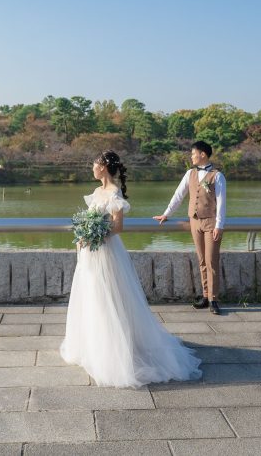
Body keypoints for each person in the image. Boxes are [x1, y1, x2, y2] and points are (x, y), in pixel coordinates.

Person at [60, 150, 203, 387]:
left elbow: (117, 227)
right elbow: (92, 218)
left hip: (106, 251)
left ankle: (116, 350)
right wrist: (85, 233)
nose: (92, 168)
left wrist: (94, 234)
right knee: (92, 296)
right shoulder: (96, 192)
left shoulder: (114, 193)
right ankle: (93, 344)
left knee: (110, 297)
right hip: (90, 252)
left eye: (94, 164)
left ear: (103, 166)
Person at [152, 140, 226, 315]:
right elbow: (179, 195)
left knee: (211, 261)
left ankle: (214, 299)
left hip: (211, 223)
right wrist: (166, 213)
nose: (191, 156)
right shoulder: (189, 174)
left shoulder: (217, 176)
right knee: (201, 260)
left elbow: (222, 203)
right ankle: (205, 296)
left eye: (193, 153)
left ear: (203, 154)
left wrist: (219, 225)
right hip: (194, 222)